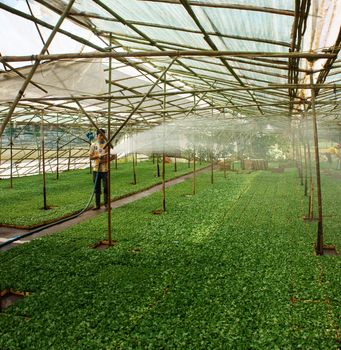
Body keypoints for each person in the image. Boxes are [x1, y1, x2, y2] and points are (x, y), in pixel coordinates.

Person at [89, 128, 110, 210]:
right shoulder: (93, 145)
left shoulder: (108, 145)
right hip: (96, 170)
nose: (102, 137)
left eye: (103, 135)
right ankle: (97, 205)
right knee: (97, 188)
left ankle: (106, 204)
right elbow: (90, 157)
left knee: (106, 188)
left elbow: (113, 156)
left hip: (105, 170)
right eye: (100, 135)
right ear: (97, 136)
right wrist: (98, 156)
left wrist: (106, 159)